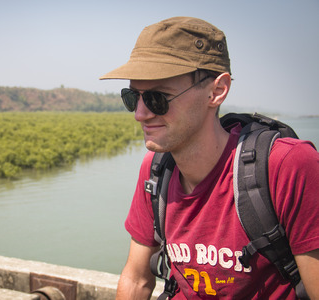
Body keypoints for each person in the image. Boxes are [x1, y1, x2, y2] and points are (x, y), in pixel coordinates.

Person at [100, 17, 319, 299]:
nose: (140, 114)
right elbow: (136, 279)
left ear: (216, 91)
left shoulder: (288, 165)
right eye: (133, 97)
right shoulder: (156, 171)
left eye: (158, 98)